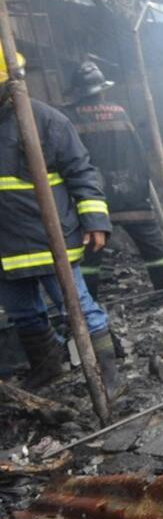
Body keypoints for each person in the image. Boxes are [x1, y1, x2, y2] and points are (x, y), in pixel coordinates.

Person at [0, 48, 121, 395]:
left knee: (79, 308)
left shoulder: (47, 120)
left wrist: (95, 219)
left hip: (47, 237)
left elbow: (81, 171)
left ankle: (107, 377)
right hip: (4, 244)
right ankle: (47, 366)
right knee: (22, 312)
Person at [64, 61, 163, 299]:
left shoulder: (69, 118)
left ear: (77, 91)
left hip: (94, 197)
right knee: (153, 244)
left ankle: (88, 301)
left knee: (90, 251)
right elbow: (138, 151)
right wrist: (143, 183)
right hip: (132, 191)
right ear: (102, 89)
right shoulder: (120, 112)